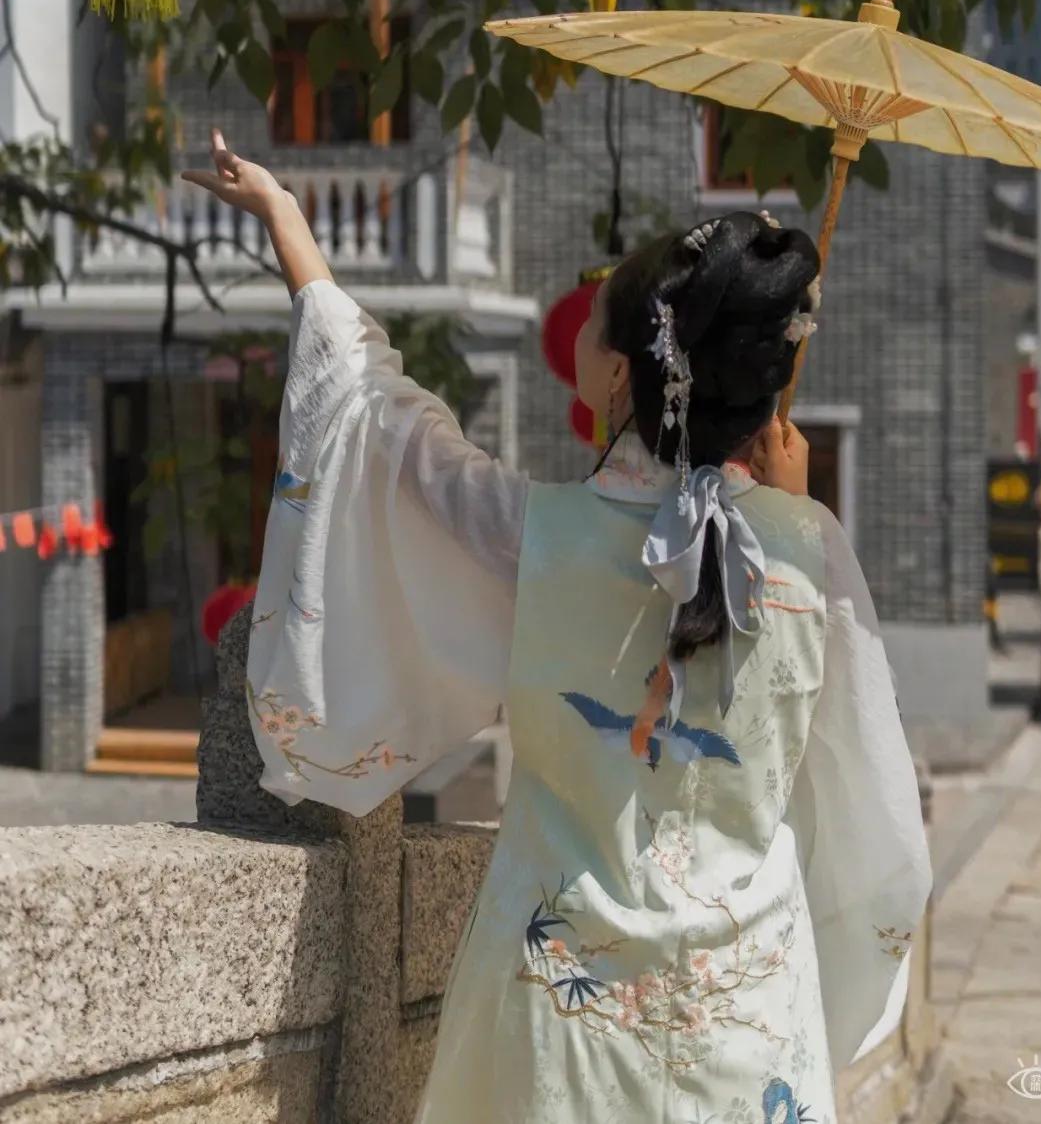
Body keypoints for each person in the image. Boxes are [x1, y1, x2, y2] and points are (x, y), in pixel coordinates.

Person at [183, 130, 933, 1124]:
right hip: (750, 1023)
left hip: (558, 1015)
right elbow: (873, 812)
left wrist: (287, 221)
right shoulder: (810, 548)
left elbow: (380, 421)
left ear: (621, 373)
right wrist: (791, 515)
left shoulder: (535, 534)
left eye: (591, 320)